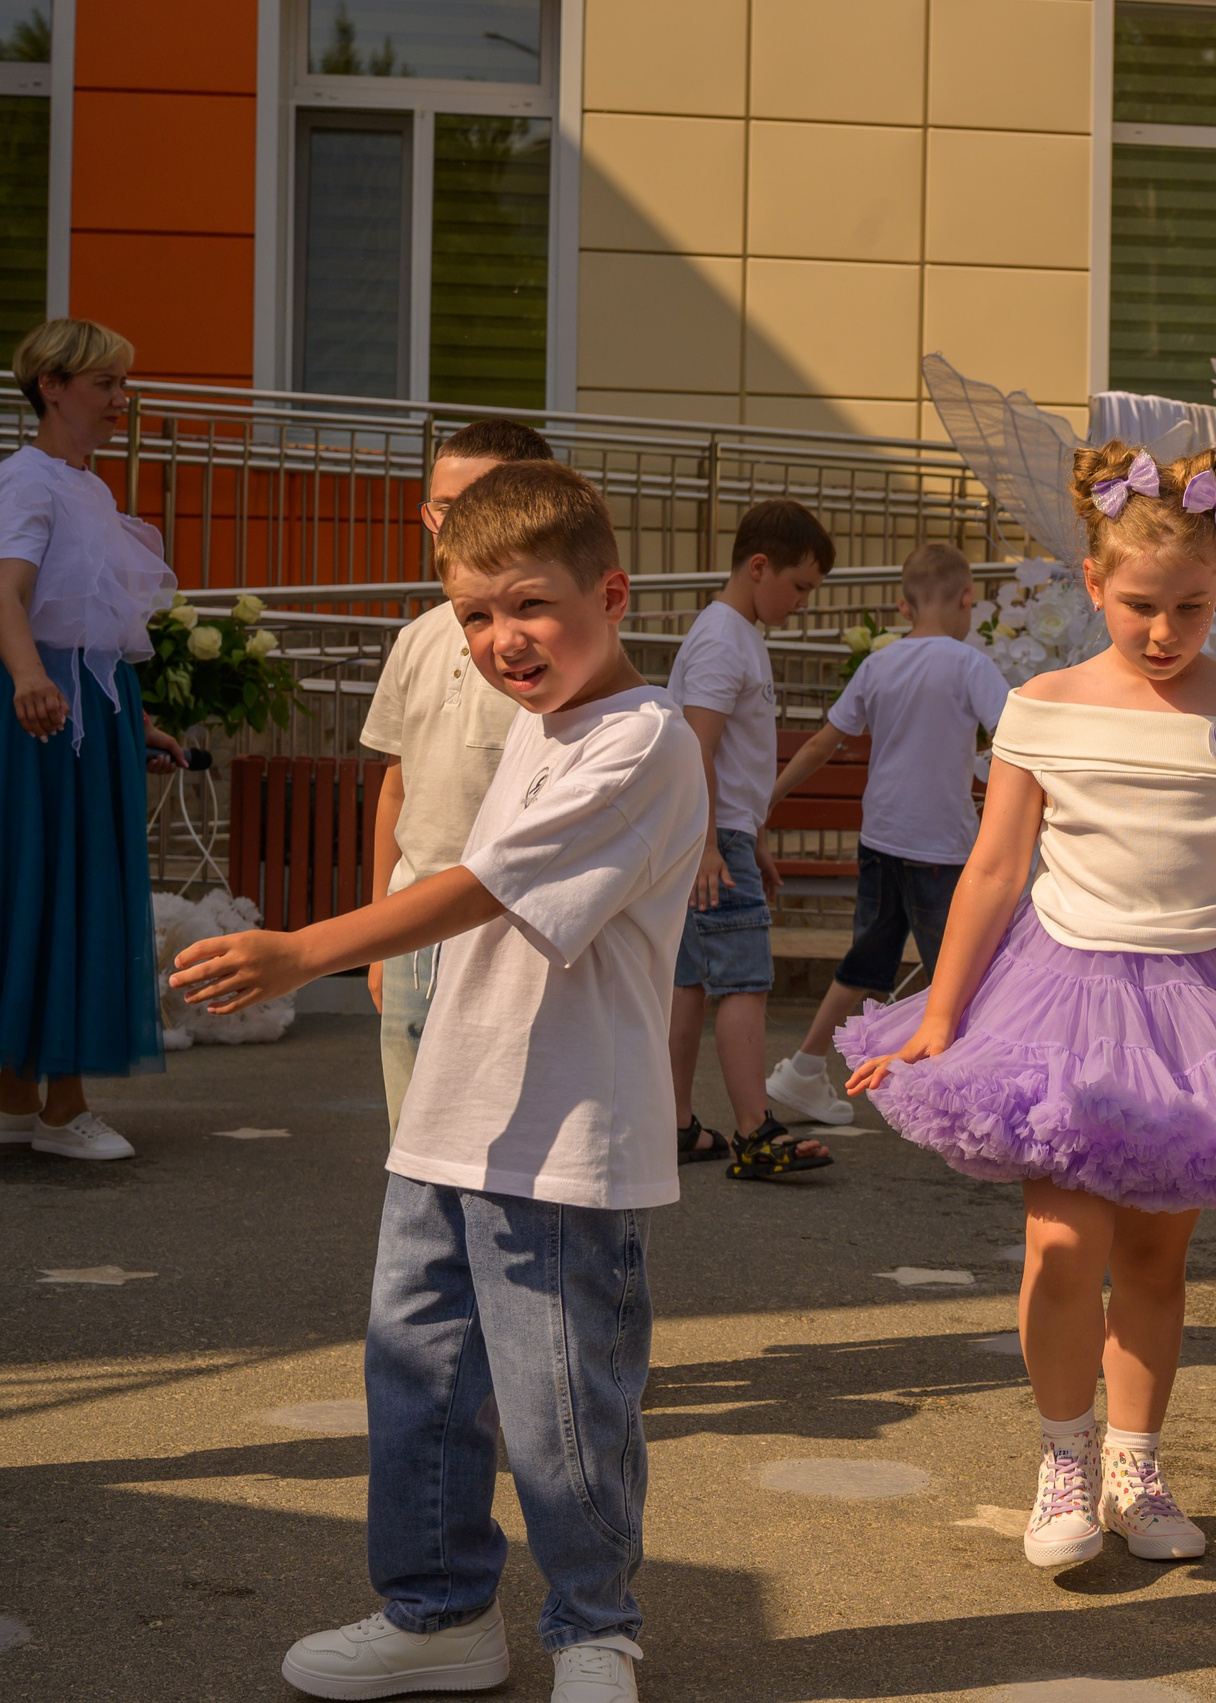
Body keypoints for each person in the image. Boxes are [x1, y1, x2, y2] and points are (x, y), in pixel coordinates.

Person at [173, 461, 709, 1703]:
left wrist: (306, 946)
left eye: (527, 605)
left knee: (563, 1409)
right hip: (452, 1118)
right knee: (418, 1378)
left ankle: (594, 1630)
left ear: (611, 592)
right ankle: (438, 1614)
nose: (499, 640)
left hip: (566, 1138)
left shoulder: (640, 741)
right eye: (472, 614)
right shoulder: (542, 722)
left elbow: (488, 885)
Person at [840, 442, 1216, 1569]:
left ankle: (1135, 1466)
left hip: (1202, 1001)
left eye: (1190, 607)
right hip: (1062, 998)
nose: (1163, 630)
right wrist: (941, 1012)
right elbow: (996, 870)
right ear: (1093, 585)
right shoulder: (1043, 708)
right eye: (1139, 604)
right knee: (1060, 1241)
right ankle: (1062, 1456)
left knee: (1155, 1258)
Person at [0, 317, 182, 1163]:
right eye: (105, 384)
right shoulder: (28, 481)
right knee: (55, 887)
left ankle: (24, 1096)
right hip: (44, 710)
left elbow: (91, 620)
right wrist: (31, 678)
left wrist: (134, 718)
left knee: (67, 886)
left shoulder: (88, 488)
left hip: (87, 707)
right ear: (53, 388)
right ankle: (54, 1103)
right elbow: (7, 594)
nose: (121, 400)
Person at [762, 541, 1009, 1128]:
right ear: (967, 600)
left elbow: (826, 740)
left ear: (902, 608)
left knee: (867, 960)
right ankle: (965, 1096)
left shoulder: (879, 664)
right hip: (940, 846)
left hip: (881, 839)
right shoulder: (971, 664)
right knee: (961, 968)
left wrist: (771, 795)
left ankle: (803, 1066)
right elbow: (1014, 740)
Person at [362, 417, 554, 1138]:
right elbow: (396, 789)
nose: (450, 524)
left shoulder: (550, 645)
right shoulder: (417, 638)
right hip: (414, 919)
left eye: (474, 501)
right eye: (440, 507)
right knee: (412, 1140)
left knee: (499, 1138)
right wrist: (381, 934)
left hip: (509, 922)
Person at [665, 498, 835, 1180]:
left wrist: (749, 835)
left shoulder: (735, 635)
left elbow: (724, 758)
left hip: (717, 834)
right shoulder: (722, 638)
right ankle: (754, 1131)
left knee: (689, 984)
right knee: (745, 982)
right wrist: (714, 843)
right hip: (710, 840)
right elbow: (695, 748)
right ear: (759, 566)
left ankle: (674, 1124)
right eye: (798, 586)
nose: (800, 602)